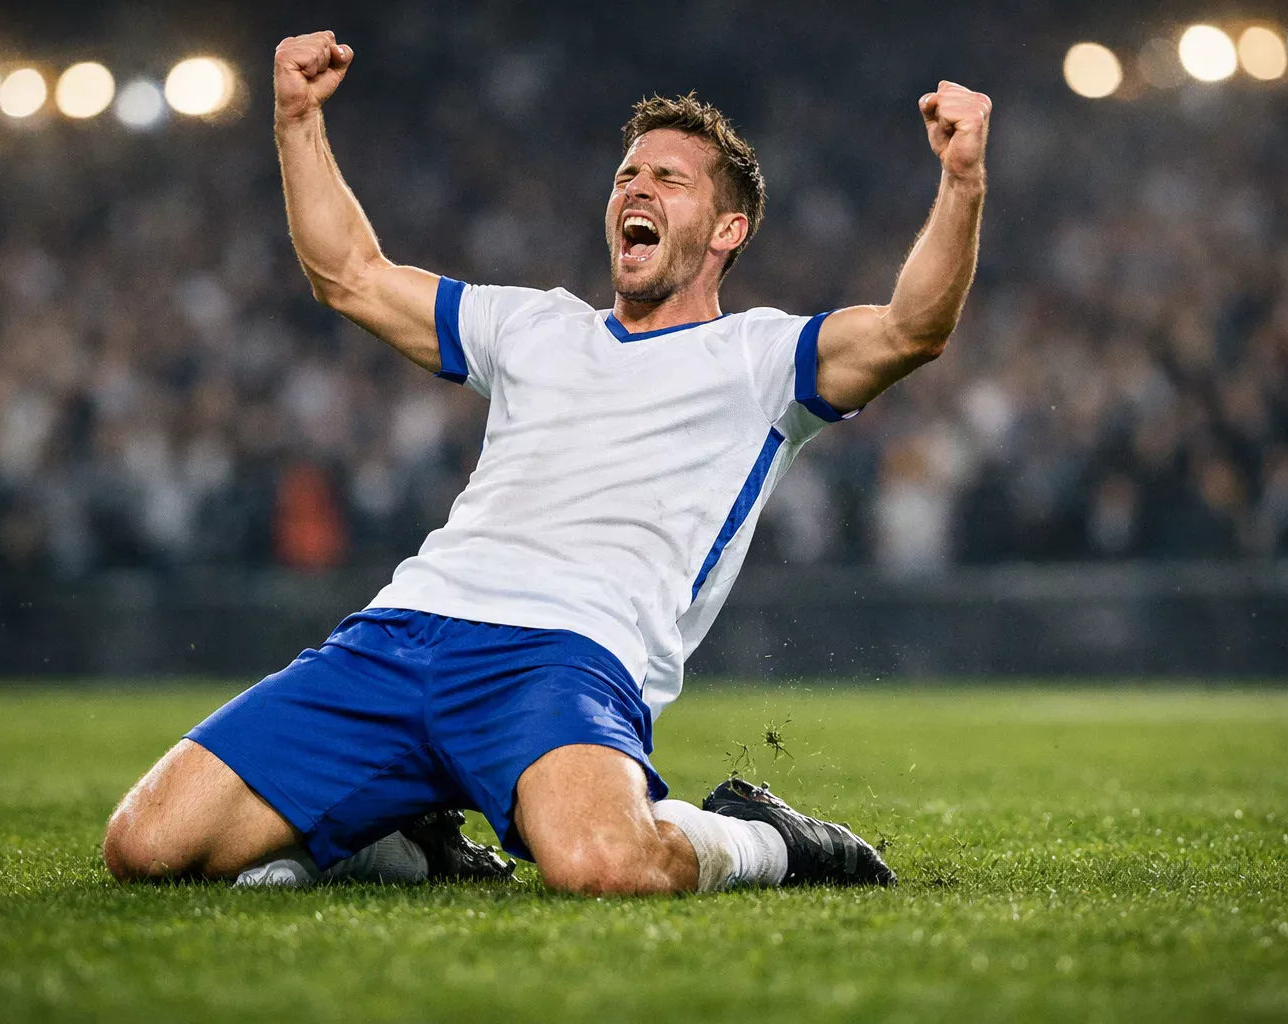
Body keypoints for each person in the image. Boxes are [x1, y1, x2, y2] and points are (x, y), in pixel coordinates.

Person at [102, 29, 989, 895]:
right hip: (405, 627)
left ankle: (772, 842)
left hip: (566, 654)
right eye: (626, 175)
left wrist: (960, 180)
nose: (635, 188)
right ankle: (406, 844)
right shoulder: (532, 325)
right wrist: (297, 120)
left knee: (603, 865)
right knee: (146, 846)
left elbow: (915, 327)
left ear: (728, 229)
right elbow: (350, 274)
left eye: (667, 178)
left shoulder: (765, 358)